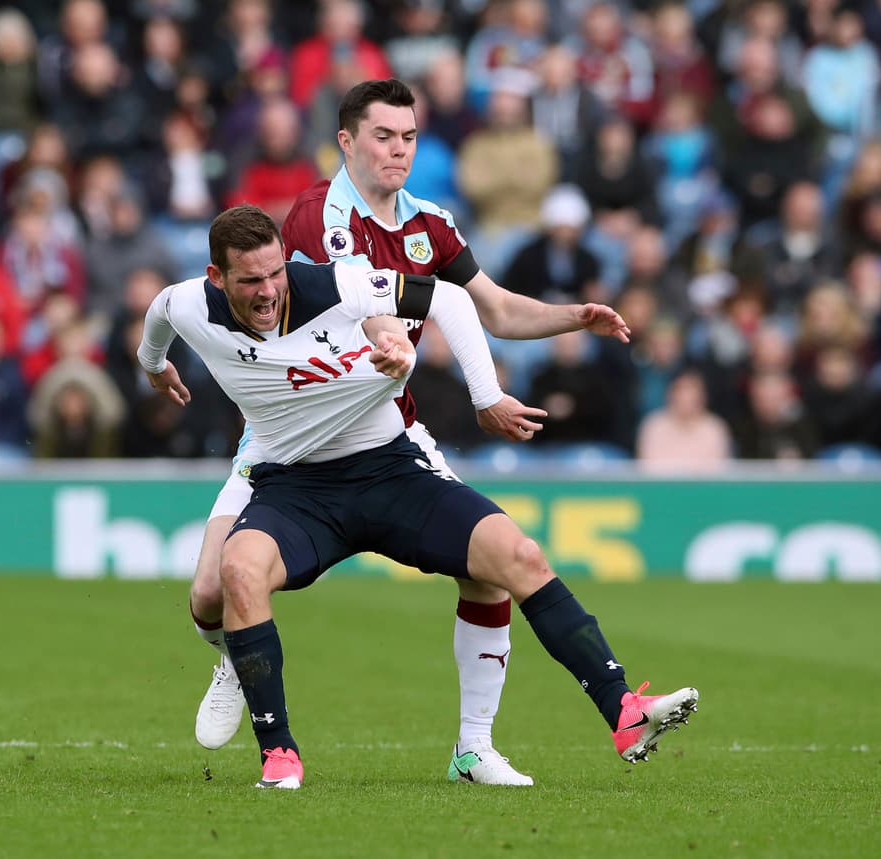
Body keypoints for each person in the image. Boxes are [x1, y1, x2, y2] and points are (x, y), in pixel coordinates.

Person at [139, 205, 699, 789]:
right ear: (216, 278)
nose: (268, 291)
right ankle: (279, 755)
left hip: (389, 472)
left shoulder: (337, 285)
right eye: (249, 280)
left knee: (519, 557)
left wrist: (486, 396)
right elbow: (157, 314)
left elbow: (453, 300)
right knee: (234, 573)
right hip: (295, 485)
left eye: (275, 273)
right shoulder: (189, 303)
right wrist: (152, 366)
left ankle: (623, 710)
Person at [189, 79, 635, 787]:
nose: (398, 150)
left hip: (383, 437)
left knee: (492, 560)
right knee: (211, 592)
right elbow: (350, 310)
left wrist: (572, 316)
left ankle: (475, 746)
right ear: (347, 141)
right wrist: (393, 340)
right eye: (382, 136)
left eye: (409, 136)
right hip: (286, 444)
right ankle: (236, 658)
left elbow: (493, 309)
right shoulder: (318, 219)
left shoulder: (430, 223)